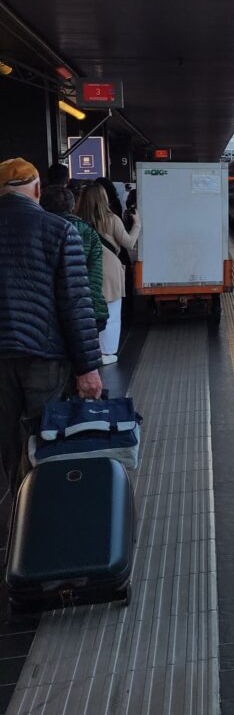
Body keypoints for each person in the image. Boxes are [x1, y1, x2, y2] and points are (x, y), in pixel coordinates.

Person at [0, 158, 103, 497]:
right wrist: (88, 367)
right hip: (45, 355)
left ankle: (15, 502)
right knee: (45, 433)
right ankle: (40, 507)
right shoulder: (60, 230)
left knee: (6, 436)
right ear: (38, 189)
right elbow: (76, 302)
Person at [77, 183, 141, 364]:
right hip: (109, 269)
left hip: (85, 269)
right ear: (104, 198)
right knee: (111, 312)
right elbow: (128, 243)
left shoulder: (76, 220)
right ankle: (107, 352)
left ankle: (90, 349)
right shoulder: (111, 219)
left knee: (88, 312)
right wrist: (137, 224)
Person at [40, 184, 109, 334]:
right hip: (79, 304)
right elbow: (94, 275)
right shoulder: (88, 232)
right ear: (72, 206)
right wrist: (95, 308)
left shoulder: (35, 228)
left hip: (43, 308)